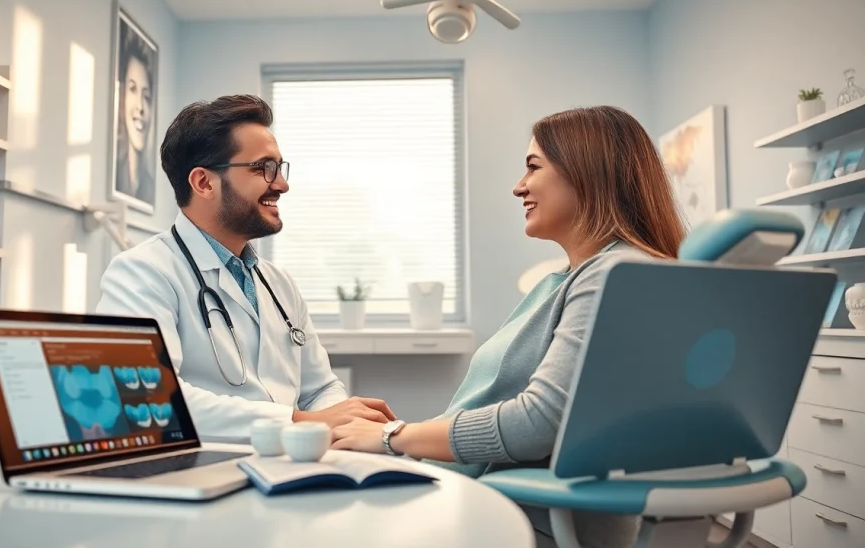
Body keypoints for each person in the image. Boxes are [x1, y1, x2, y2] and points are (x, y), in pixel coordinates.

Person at [330, 106, 685, 547]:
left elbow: (535, 422)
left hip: (521, 522)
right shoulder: (581, 278)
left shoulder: (614, 274)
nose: (519, 186)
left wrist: (392, 436)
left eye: (533, 167)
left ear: (587, 172)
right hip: (494, 504)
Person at [96, 94, 396, 441]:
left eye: (280, 168)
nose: (282, 184)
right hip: (208, 466)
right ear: (204, 183)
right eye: (263, 168)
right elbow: (147, 399)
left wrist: (343, 425)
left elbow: (320, 388)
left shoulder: (278, 283)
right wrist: (298, 421)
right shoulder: (141, 273)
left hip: (293, 460)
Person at [114, 27, 157, 207]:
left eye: (146, 96)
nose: (140, 107)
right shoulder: (116, 171)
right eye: (132, 89)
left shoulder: (150, 185)